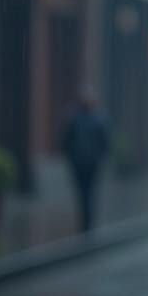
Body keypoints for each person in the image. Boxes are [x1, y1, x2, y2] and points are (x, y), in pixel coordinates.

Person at [59, 87, 110, 233]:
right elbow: (66, 140)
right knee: (82, 192)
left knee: (89, 192)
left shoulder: (99, 119)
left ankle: (88, 222)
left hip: (92, 163)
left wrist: (101, 157)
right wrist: (68, 156)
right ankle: (85, 221)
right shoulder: (74, 118)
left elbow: (105, 142)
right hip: (78, 162)